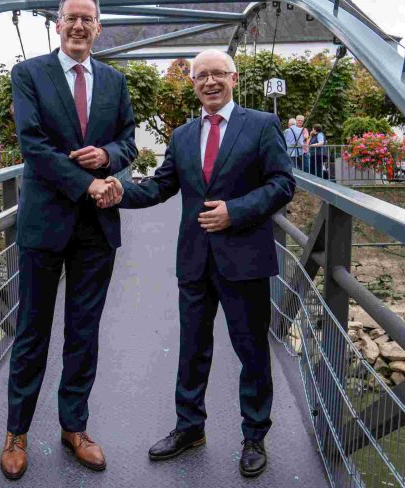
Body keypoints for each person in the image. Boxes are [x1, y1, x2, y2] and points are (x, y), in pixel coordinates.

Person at [99, 49, 295, 478]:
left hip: (244, 258)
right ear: (192, 83)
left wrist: (235, 211)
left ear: (233, 78)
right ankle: (190, 427)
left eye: (217, 74)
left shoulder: (262, 125)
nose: (209, 82)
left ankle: (254, 435)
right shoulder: (183, 135)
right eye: (200, 76)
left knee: (252, 352)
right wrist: (120, 190)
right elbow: (162, 186)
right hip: (194, 259)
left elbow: (282, 184)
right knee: (192, 349)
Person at [0, 0, 137, 480]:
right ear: (58, 24)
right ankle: (17, 431)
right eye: (71, 18)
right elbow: (33, 146)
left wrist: (109, 158)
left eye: (88, 19)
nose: (79, 26)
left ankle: (73, 427)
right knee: (32, 333)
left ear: (98, 28)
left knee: (84, 332)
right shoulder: (29, 74)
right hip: (45, 223)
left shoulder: (114, 81)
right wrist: (90, 183)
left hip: (96, 229)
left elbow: (129, 141)